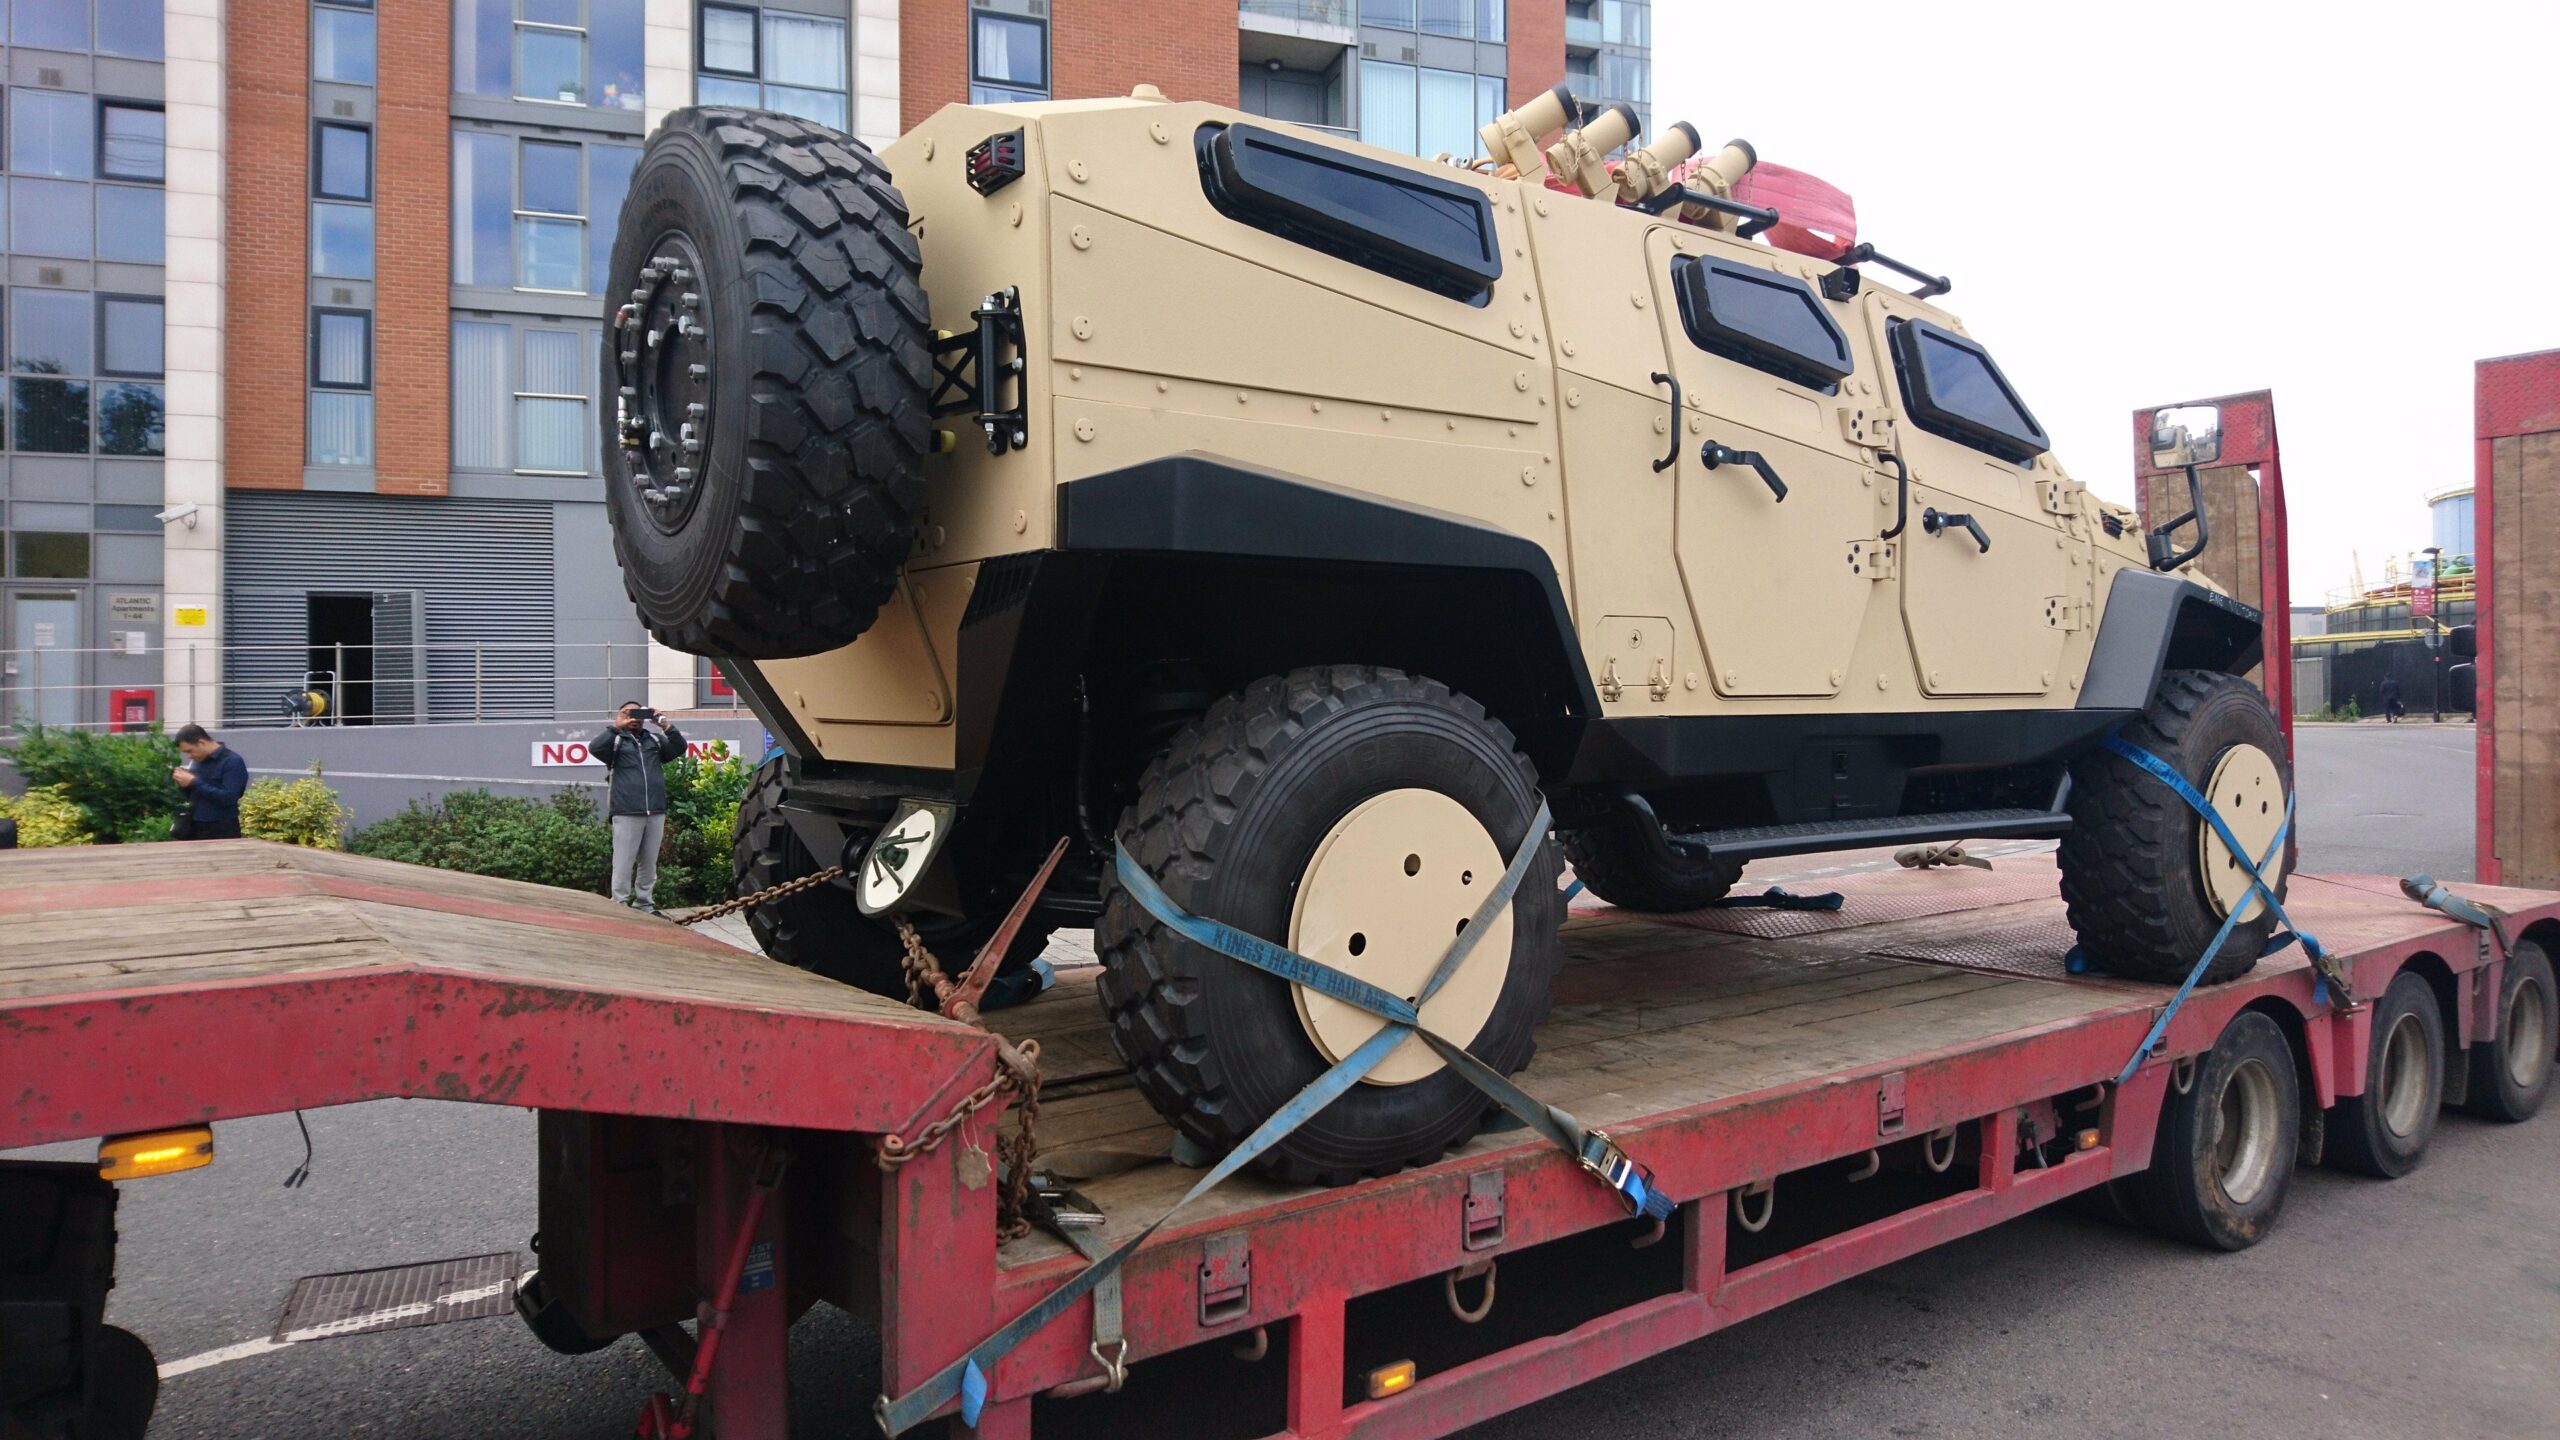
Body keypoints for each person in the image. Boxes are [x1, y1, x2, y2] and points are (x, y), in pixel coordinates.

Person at [594, 700, 687, 912]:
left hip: (655, 810)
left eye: (637, 713)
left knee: (649, 863)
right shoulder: (615, 742)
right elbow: (595, 748)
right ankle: (619, 905)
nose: (633, 717)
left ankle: (645, 904)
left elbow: (679, 747)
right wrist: (616, 726)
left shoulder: (653, 740)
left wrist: (663, 723)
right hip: (627, 811)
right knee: (623, 862)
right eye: (627, 713)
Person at [171, 724, 248, 840]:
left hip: (221, 828)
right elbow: (193, 795)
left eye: (190, 751)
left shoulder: (232, 762)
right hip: (194, 826)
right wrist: (183, 783)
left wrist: (194, 782)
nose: (189, 756)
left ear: (201, 743)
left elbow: (229, 798)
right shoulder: (198, 761)